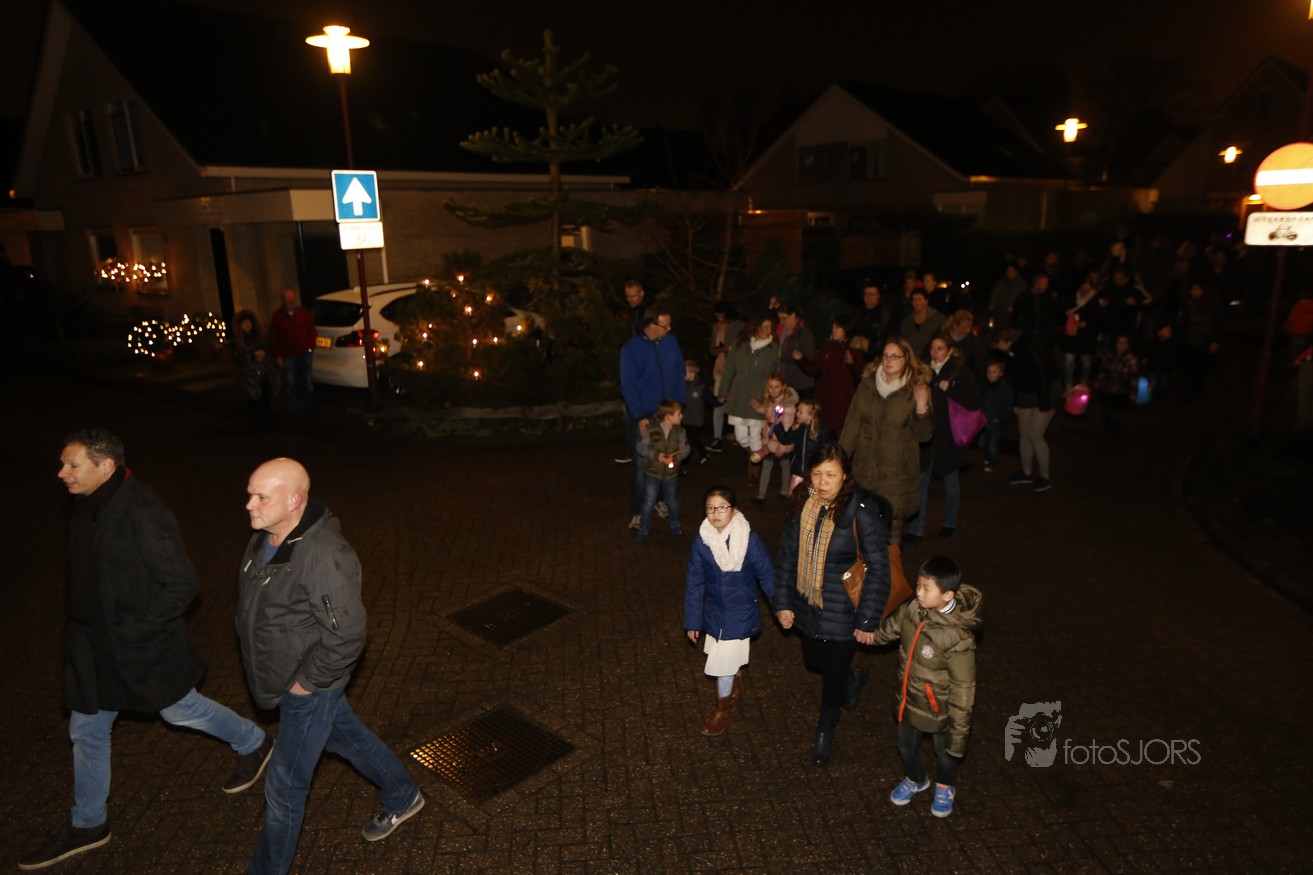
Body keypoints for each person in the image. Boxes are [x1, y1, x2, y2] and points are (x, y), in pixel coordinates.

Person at [22, 431, 272, 871]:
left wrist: (132, 631)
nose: (62, 473)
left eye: (73, 465)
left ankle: (254, 741)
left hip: (135, 643)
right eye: (63, 464)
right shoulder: (85, 504)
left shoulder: (142, 509)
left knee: (179, 709)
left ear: (106, 466)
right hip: (91, 646)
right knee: (86, 729)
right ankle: (88, 824)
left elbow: (182, 583)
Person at [238, 458, 423, 875]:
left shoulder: (324, 556)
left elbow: (348, 635)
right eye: (250, 494)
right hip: (289, 679)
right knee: (345, 737)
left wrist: (306, 684)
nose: (250, 504)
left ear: (294, 500)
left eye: (262, 497)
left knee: (284, 788)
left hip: (307, 687)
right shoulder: (265, 537)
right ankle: (403, 794)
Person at [773, 443, 892, 767]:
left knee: (832, 675)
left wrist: (867, 620)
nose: (823, 482)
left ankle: (825, 729)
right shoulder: (802, 506)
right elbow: (786, 557)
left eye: (831, 475)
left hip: (844, 611)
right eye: (817, 474)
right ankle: (852, 679)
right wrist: (782, 602)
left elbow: (879, 569)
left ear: (845, 477)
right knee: (814, 661)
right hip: (807, 605)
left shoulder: (861, 513)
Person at [875, 556, 982, 818]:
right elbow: (889, 629)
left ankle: (945, 785)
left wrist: (959, 734)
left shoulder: (957, 638)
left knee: (945, 753)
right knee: (905, 746)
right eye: (918, 585)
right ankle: (916, 778)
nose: (918, 593)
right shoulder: (913, 609)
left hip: (940, 710)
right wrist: (865, 634)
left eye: (926, 588)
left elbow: (964, 690)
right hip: (910, 698)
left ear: (947, 595)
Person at [684, 485, 775, 736]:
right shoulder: (702, 541)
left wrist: (782, 607)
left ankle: (721, 709)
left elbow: (768, 575)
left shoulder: (749, 540)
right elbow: (694, 582)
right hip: (714, 613)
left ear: (733, 510)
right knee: (726, 658)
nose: (716, 513)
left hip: (740, 613)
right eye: (710, 508)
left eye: (722, 507)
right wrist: (693, 621)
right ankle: (737, 683)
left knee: (722, 665)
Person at [839, 337, 933, 545]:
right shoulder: (867, 386)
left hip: (897, 473)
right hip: (865, 469)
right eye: (885, 355)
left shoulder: (915, 390)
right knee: (861, 528)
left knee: (893, 531)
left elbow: (924, 436)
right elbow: (852, 426)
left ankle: (891, 566)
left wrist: (922, 408)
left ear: (906, 359)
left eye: (895, 356)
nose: (889, 360)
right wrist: (839, 461)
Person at [908, 333, 981, 540]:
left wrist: (950, 390)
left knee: (950, 483)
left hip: (950, 438)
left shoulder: (960, 372)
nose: (934, 352)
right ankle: (916, 528)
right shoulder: (924, 371)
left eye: (940, 348)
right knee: (921, 482)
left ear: (950, 351)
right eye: (932, 348)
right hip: (928, 436)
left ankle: (949, 522)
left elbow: (974, 401)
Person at [620, 307, 686, 530]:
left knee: (667, 456)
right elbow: (628, 385)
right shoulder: (631, 349)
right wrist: (639, 416)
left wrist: (679, 405)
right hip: (645, 413)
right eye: (665, 325)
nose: (669, 329)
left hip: (668, 412)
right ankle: (638, 511)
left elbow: (678, 372)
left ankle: (660, 500)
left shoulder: (670, 342)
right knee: (642, 463)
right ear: (651, 325)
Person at [718, 316, 779, 487]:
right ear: (756, 327)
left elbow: (775, 373)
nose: (767, 330)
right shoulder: (741, 343)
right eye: (764, 326)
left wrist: (773, 396)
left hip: (760, 396)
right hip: (740, 395)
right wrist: (723, 391)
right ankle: (758, 455)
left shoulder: (773, 348)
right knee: (740, 437)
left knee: (755, 436)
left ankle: (754, 472)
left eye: (770, 327)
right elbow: (730, 368)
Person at [1000, 329, 1062, 492]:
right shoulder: (1011, 352)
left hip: (1047, 392)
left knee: (1035, 434)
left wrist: (1044, 405)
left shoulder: (1029, 348)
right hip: (1027, 392)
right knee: (1024, 433)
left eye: (998, 345)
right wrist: (1016, 402)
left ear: (1005, 341)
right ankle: (1026, 472)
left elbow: (1043, 375)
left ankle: (1045, 476)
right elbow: (1015, 378)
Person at [795, 314, 865, 432]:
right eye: (833, 327)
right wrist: (801, 359)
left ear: (846, 329)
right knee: (821, 431)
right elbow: (814, 369)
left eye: (837, 327)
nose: (834, 330)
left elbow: (861, 374)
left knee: (839, 433)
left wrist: (852, 363)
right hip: (825, 399)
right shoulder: (828, 348)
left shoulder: (854, 349)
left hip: (843, 402)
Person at [635, 400, 689, 543]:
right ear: (668, 416)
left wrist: (675, 458)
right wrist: (656, 455)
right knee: (648, 502)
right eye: (679, 414)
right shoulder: (651, 430)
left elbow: (685, 449)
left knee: (672, 502)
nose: (682, 416)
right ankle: (643, 530)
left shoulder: (680, 432)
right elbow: (641, 447)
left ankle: (675, 527)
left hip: (671, 475)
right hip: (652, 473)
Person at [613, 281, 649, 463]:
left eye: (634, 296)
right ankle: (632, 450)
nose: (631, 299)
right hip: (633, 364)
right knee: (628, 411)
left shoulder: (648, 312)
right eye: (628, 296)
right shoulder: (632, 312)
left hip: (644, 367)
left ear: (642, 293)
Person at [750, 372, 800, 504]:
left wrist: (782, 446)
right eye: (770, 387)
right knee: (767, 466)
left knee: (785, 465)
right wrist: (758, 407)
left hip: (781, 443)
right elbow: (768, 411)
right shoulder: (771, 401)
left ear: (783, 386)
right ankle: (761, 495)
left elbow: (787, 428)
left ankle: (784, 491)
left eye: (777, 387)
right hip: (769, 442)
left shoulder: (787, 407)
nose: (773, 390)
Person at [269, 289, 317, 415]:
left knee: (307, 381)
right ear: (283, 301)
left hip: (305, 354)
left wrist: (310, 347)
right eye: (287, 298)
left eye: (292, 298)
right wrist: (278, 356)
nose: (290, 301)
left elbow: (312, 331)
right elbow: (274, 337)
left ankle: (309, 407)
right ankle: (292, 408)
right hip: (288, 355)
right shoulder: (277, 316)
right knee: (290, 383)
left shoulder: (304, 313)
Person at [776, 400, 835, 496]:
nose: (797, 414)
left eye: (800, 412)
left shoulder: (822, 432)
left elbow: (829, 451)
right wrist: (777, 424)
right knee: (794, 497)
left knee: (812, 499)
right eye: (797, 411)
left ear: (811, 415)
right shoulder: (797, 428)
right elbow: (785, 439)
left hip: (814, 476)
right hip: (798, 472)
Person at [707, 302, 744, 452]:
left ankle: (738, 435)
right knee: (719, 402)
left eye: (721, 315)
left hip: (736, 370)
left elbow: (744, 347)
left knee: (736, 402)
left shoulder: (739, 326)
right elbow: (711, 348)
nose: (719, 318)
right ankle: (717, 438)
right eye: (717, 315)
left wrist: (729, 348)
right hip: (720, 368)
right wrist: (717, 350)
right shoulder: (716, 327)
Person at [231, 309, 273, 431]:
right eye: (244, 322)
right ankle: (257, 425)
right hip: (248, 377)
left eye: (248, 321)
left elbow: (269, 346)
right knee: (254, 402)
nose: (247, 324)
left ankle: (267, 424)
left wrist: (265, 352)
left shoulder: (260, 335)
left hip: (263, 374)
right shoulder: (237, 340)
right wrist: (252, 355)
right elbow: (237, 355)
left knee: (265, 400)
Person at [1096, 334, 1139, 437]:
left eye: (1125, 343)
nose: (1122, 345)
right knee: (1105, 410)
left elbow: (1134, 377)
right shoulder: (1109, 356)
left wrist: (1133, 394)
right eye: (1120, 342)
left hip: (1121, 391)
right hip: (1108, 389)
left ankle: (1115, 430)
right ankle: (1107, 428)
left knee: (1116, 413)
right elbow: (1103, 371)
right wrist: (1100, 383)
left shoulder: (1131, 359)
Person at [978, 360, 1013, 473]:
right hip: (984, 421)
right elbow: (982, 402)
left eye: (994, 372)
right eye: (989, 372)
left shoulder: (1005, 390)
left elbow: (1008, 407)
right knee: (982, 441)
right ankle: (988, 457)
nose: (991, 374)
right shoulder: (986, 387)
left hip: (995, 423)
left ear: (1001, 373)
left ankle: (994, 462)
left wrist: (1000, 418)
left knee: (993, 443)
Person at [775, 302, 816, 398]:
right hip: (784, 384)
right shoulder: (780, 330)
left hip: (801, 386)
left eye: (784, 318)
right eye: (780, 319)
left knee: (799, 408)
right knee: (779, 408)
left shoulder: (805, 333)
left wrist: (782, 355)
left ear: (793, 315)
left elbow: (809, 357)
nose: (781, 322)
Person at [899, 289, 947, 360]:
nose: (917, 303)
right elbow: (902, 342)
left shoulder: (938, 319)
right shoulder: (906, 321)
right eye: (914, 300)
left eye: (919, 299)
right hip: (911, 359)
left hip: (931, 359)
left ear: (926, 301)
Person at [681, 360, 708, 471]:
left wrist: (719, 401)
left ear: (692, 373)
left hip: (696, 419)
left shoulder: (701, 387)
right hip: (685, 418)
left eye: (685, 372)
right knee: (694, 439)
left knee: (689, 442)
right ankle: (704, 454)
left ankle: (684, 465)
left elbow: (709, 399)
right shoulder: (682, 385)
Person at [851, 281, 892, 353]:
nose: (868, 297)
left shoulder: (884, 313)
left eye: (871, 294)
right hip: (859, 352)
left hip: (877, 353)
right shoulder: (858, 312)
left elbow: (887, 335)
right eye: (866, 294)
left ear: (878, 295)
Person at [988, 263, 1027, 330]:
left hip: (1015, 314)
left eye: (1012, 271)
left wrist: (1016, 308)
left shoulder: (1021, 284)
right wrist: (992, 304)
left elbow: (1023, 298)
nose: (1009, 273)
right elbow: (994, 295)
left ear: (1016, 272)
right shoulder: (1000, 283)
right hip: (1000, 312)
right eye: (1008, 271)